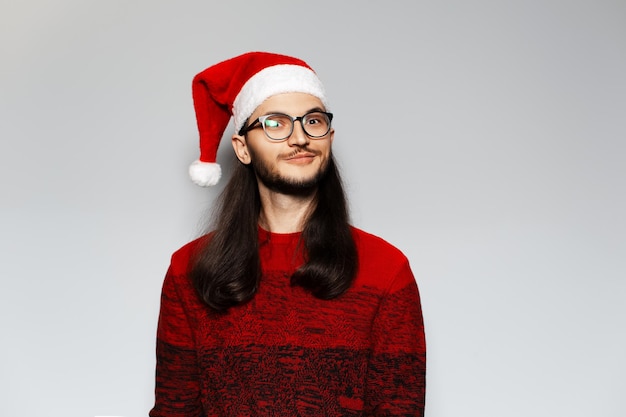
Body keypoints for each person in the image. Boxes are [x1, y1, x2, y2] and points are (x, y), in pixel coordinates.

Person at [149, 51, 426, 416]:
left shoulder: (386, 269)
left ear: (329, 136)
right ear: (242, 148)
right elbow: (175, 410)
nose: (300, 137)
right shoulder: (189, 269)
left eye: (313, 121)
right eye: (275, 124)